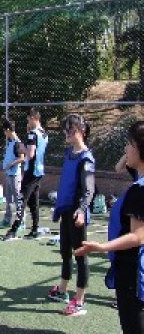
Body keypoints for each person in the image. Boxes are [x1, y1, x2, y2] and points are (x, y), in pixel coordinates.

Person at [76, 121, 144, 333]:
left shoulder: (139, 190)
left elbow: (138, 236)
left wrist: (102, 247)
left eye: (129, 144)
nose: (125, 149)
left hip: (132, 272)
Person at [46, 114, 95, 316]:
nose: (67, 133)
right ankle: (63, 290)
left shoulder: (86, 158)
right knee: (65, 252)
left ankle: (79, 299)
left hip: (76, 213)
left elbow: (89, 190)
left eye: (71, 130)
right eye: (66, 129)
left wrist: (81, 210)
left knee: (80, 255)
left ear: (82, 131)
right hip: (66, 210)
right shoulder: (68, 153)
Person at [4, 108, 49, 240]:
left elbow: (30, 154)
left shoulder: (32, 134)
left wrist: (23, 148)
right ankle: (34, 229)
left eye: (29, 119)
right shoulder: (44, 134)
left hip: (31, 171)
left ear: (33, 118)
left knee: (21, 199)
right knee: (34, 201)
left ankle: (13, 230)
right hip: (39, 171)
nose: (28, 122)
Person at [0, 120, 24, 227]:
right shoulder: (11, 142)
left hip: (14, 175)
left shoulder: (18, 143)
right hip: (8, 174)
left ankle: (21, 222)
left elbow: (22, 158)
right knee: (9, 198)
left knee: (18, 198)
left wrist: (10, 164)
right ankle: (7, 219)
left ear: (8, 130)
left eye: (4, 130)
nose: (4, 133)